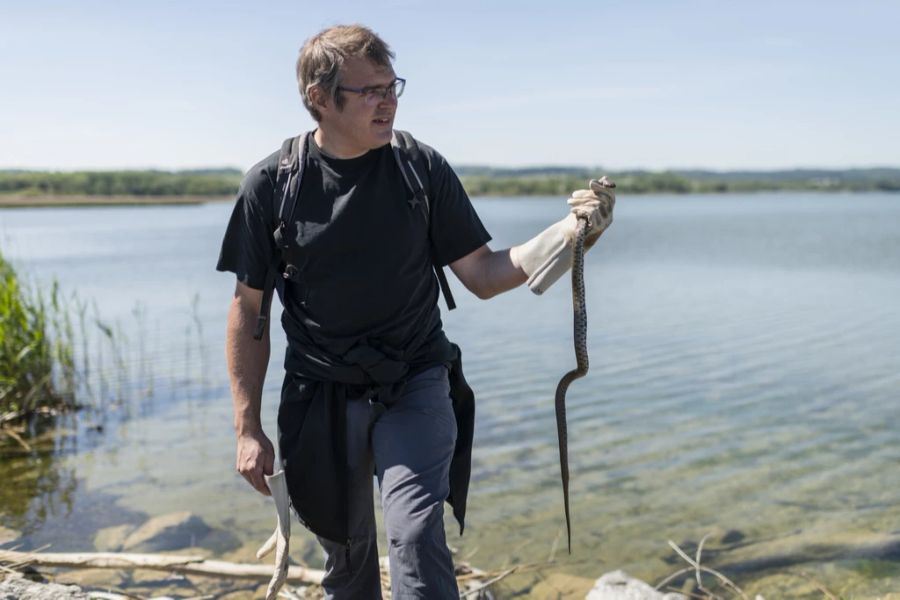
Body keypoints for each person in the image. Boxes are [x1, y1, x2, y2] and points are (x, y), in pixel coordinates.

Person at [216, 24, 615, 600]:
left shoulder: (419, 169)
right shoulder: (272, 185)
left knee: (416, 534)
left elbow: (483, 274)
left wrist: (567, 236)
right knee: (346, 559)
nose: (389, 101)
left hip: (416, 378)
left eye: (392, 86)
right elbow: (247, 311)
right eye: (370, 91)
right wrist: (246, 426)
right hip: (319, 392)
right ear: (320, 99)